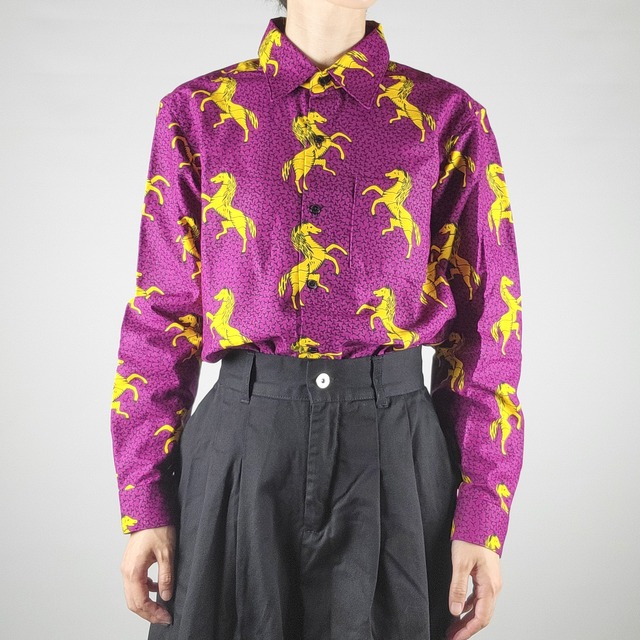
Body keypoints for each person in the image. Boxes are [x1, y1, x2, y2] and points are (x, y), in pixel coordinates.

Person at [110, 1, 525, 639]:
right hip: (244, 447)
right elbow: (159, 314)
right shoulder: (198, 112)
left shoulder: (447, 117)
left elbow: (488, 324)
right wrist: (144, 502)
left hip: (395, 451)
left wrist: (482, 511)